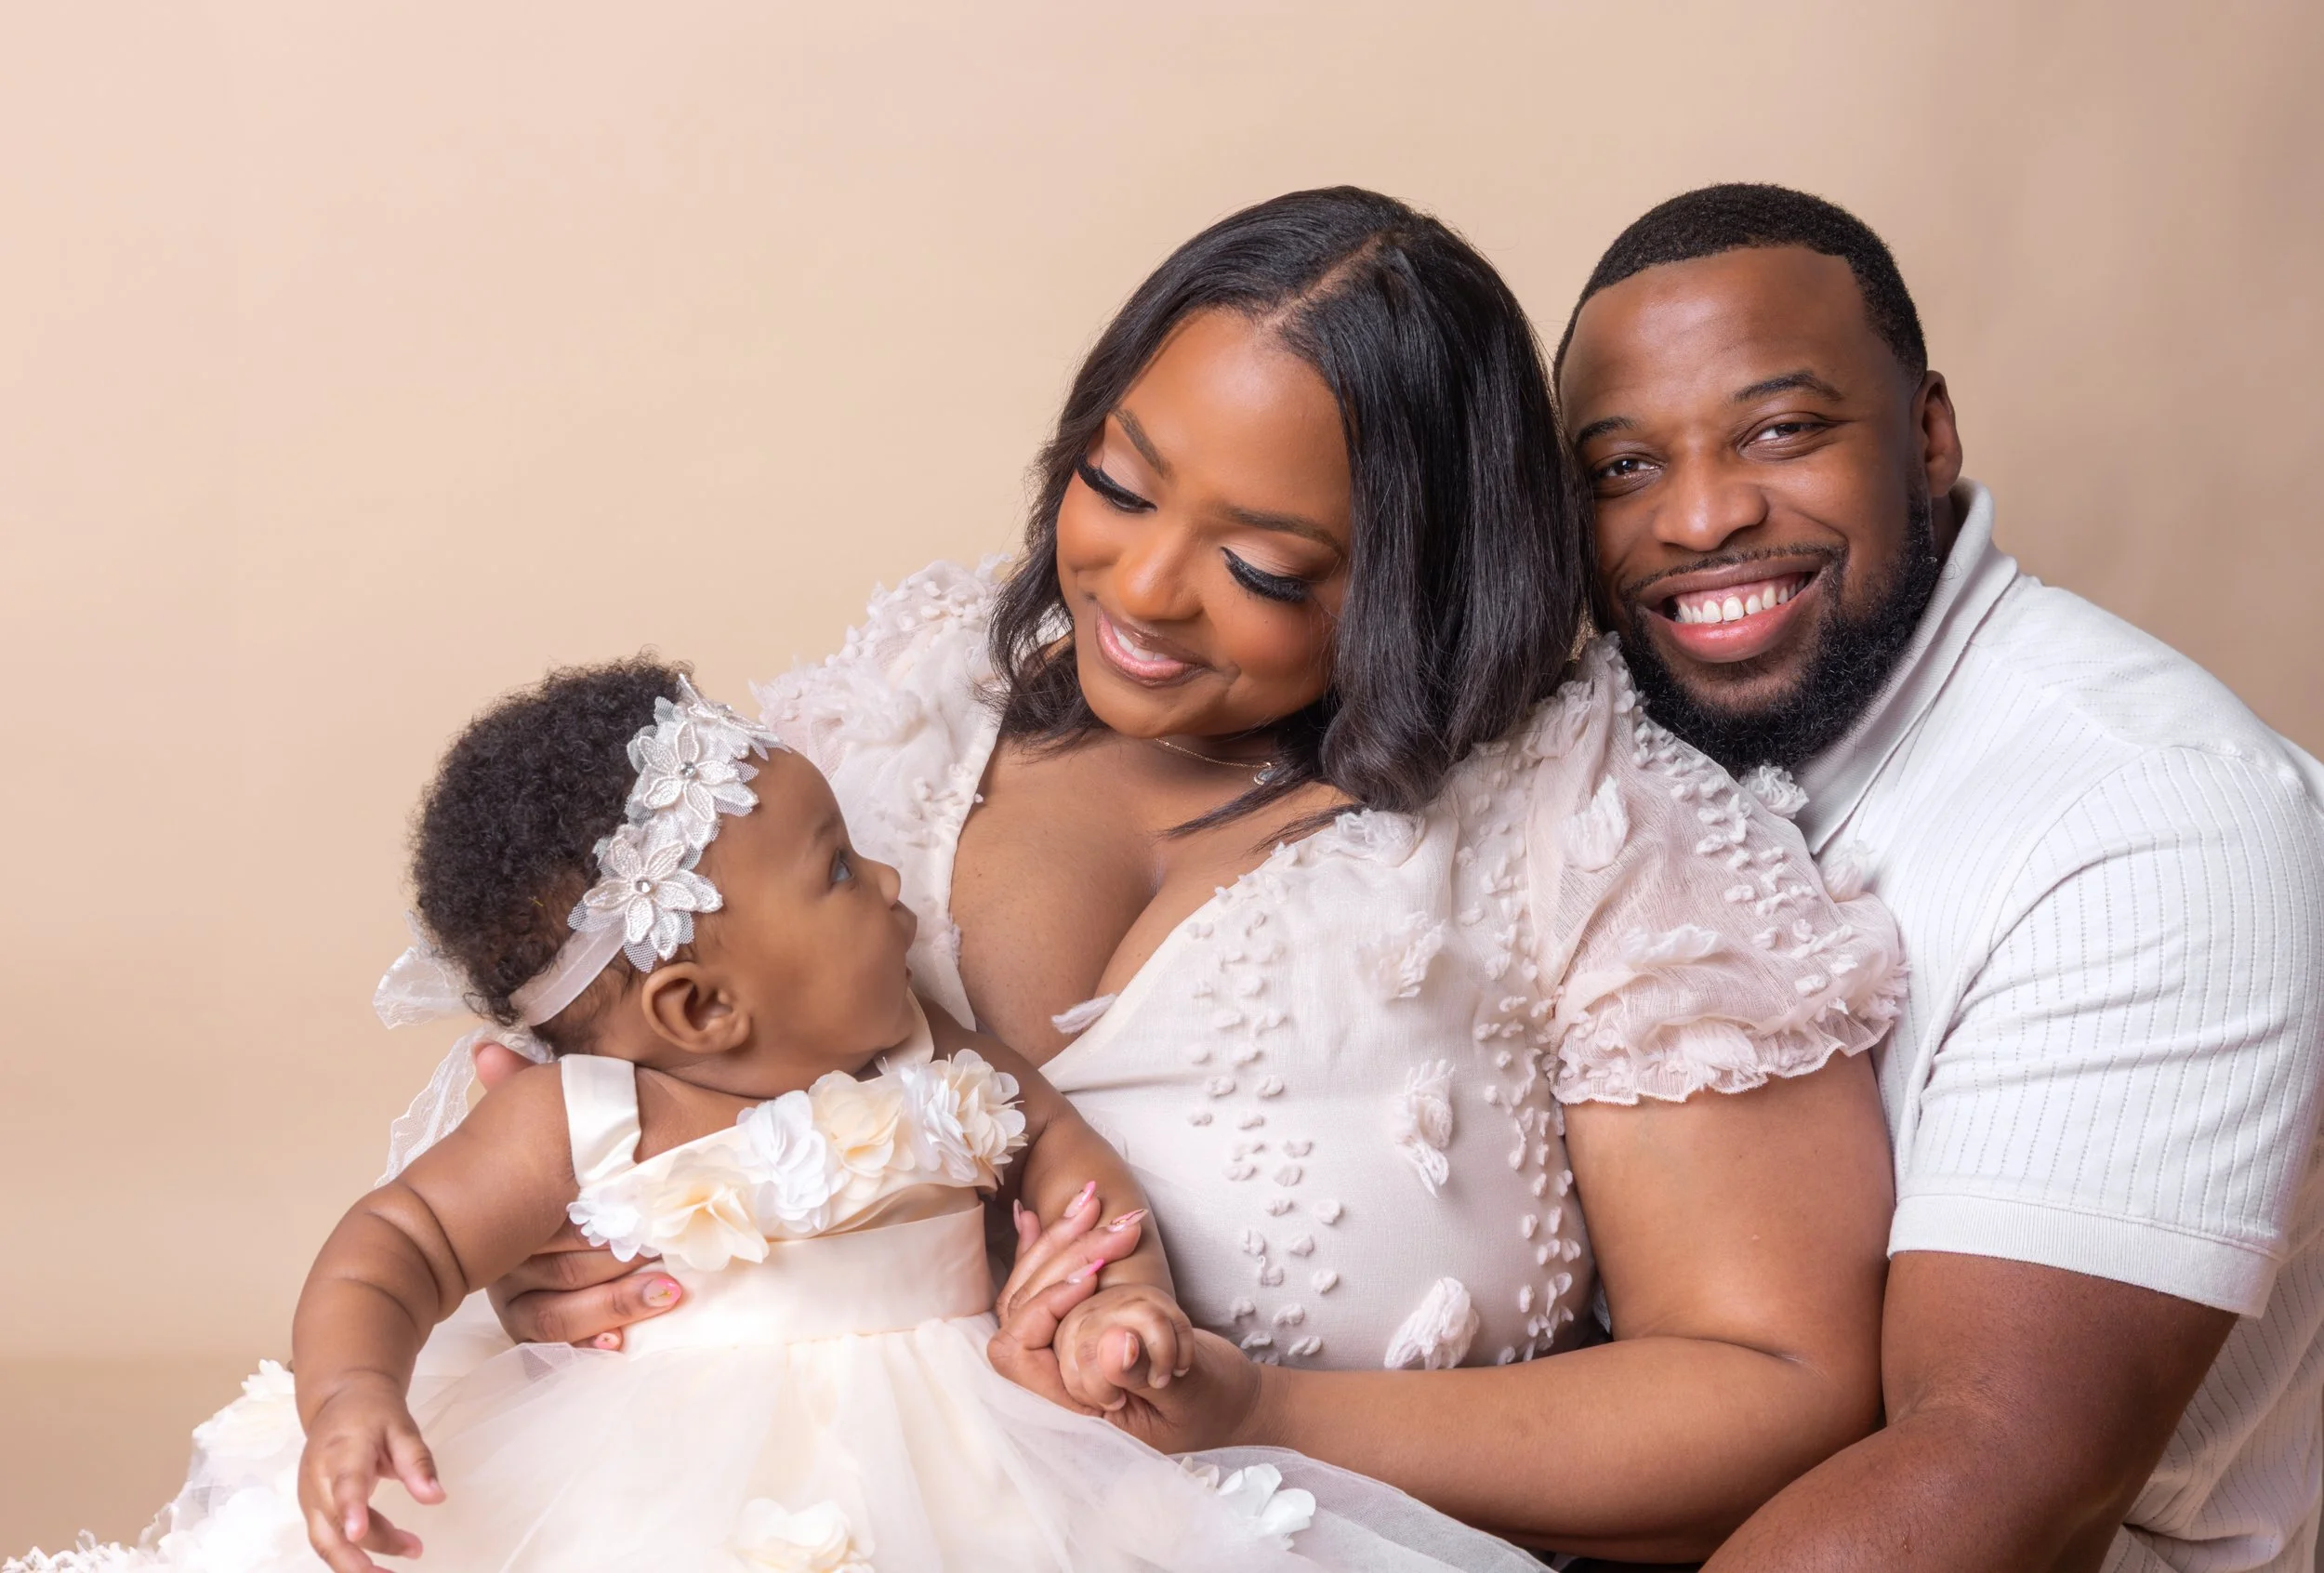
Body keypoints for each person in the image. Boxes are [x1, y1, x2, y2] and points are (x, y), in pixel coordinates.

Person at [488, 186, 1907, 1564]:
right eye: (1117, 484)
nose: (1145, 587)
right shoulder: (906, 697)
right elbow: (625, 1011)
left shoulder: (1590, 829)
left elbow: (1780, 1383)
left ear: (1430, 581)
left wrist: (1265, 1416)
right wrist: (556, 1248)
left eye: (1269, 567)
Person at [7, 662, 1544, 1573]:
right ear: (699, 1013)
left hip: (976, 1454)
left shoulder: (929, 1043)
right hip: (661, 1472)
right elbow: (397, 1240)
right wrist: (355, 1392)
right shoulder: (585, 1116)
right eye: (837, 869)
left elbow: (1070, 1167)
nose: (890, 888)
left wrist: (1113, 1301)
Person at [1547, 185, 2324, 1571]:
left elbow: (1994, 1473)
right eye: (1624, 469)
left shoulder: (2153, 815)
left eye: (1780, 432)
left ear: (1927, 431)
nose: (1702, 516)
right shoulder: (1608, 745)